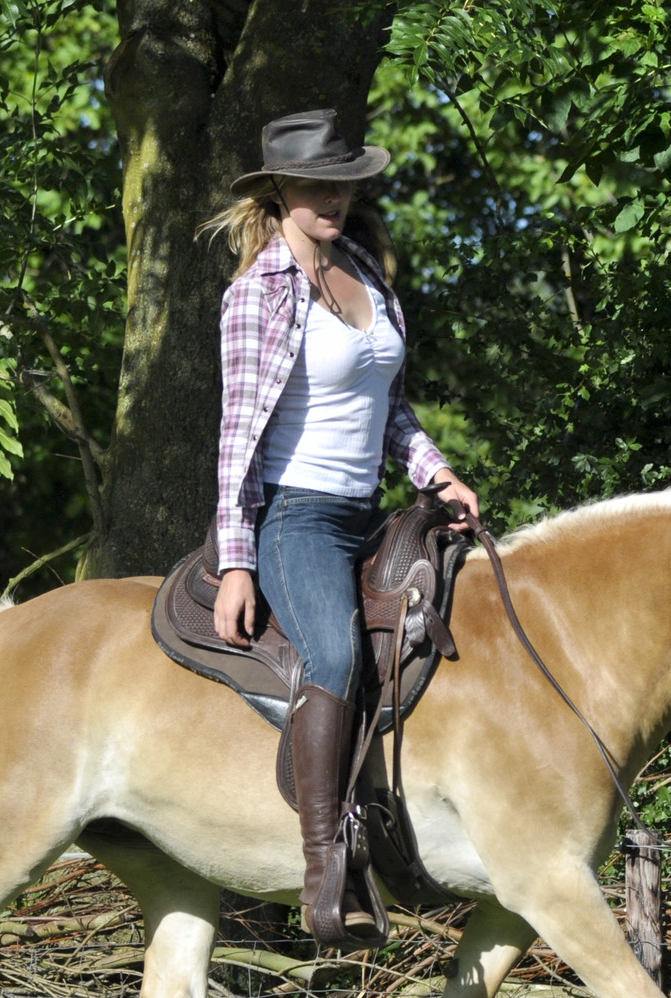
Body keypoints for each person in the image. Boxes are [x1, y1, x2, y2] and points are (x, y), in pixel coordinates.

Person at [200, 109, 480, 938]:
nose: (334, 199)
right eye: (317, 185)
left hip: (373, 513)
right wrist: (239, 560)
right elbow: (236, 437)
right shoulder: (256, 294)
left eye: (344, 184)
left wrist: (437, 472)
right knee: (335, 654)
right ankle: (328, 867)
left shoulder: (363, 271)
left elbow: (390, 409)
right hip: (297, 519)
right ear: (278, 191)